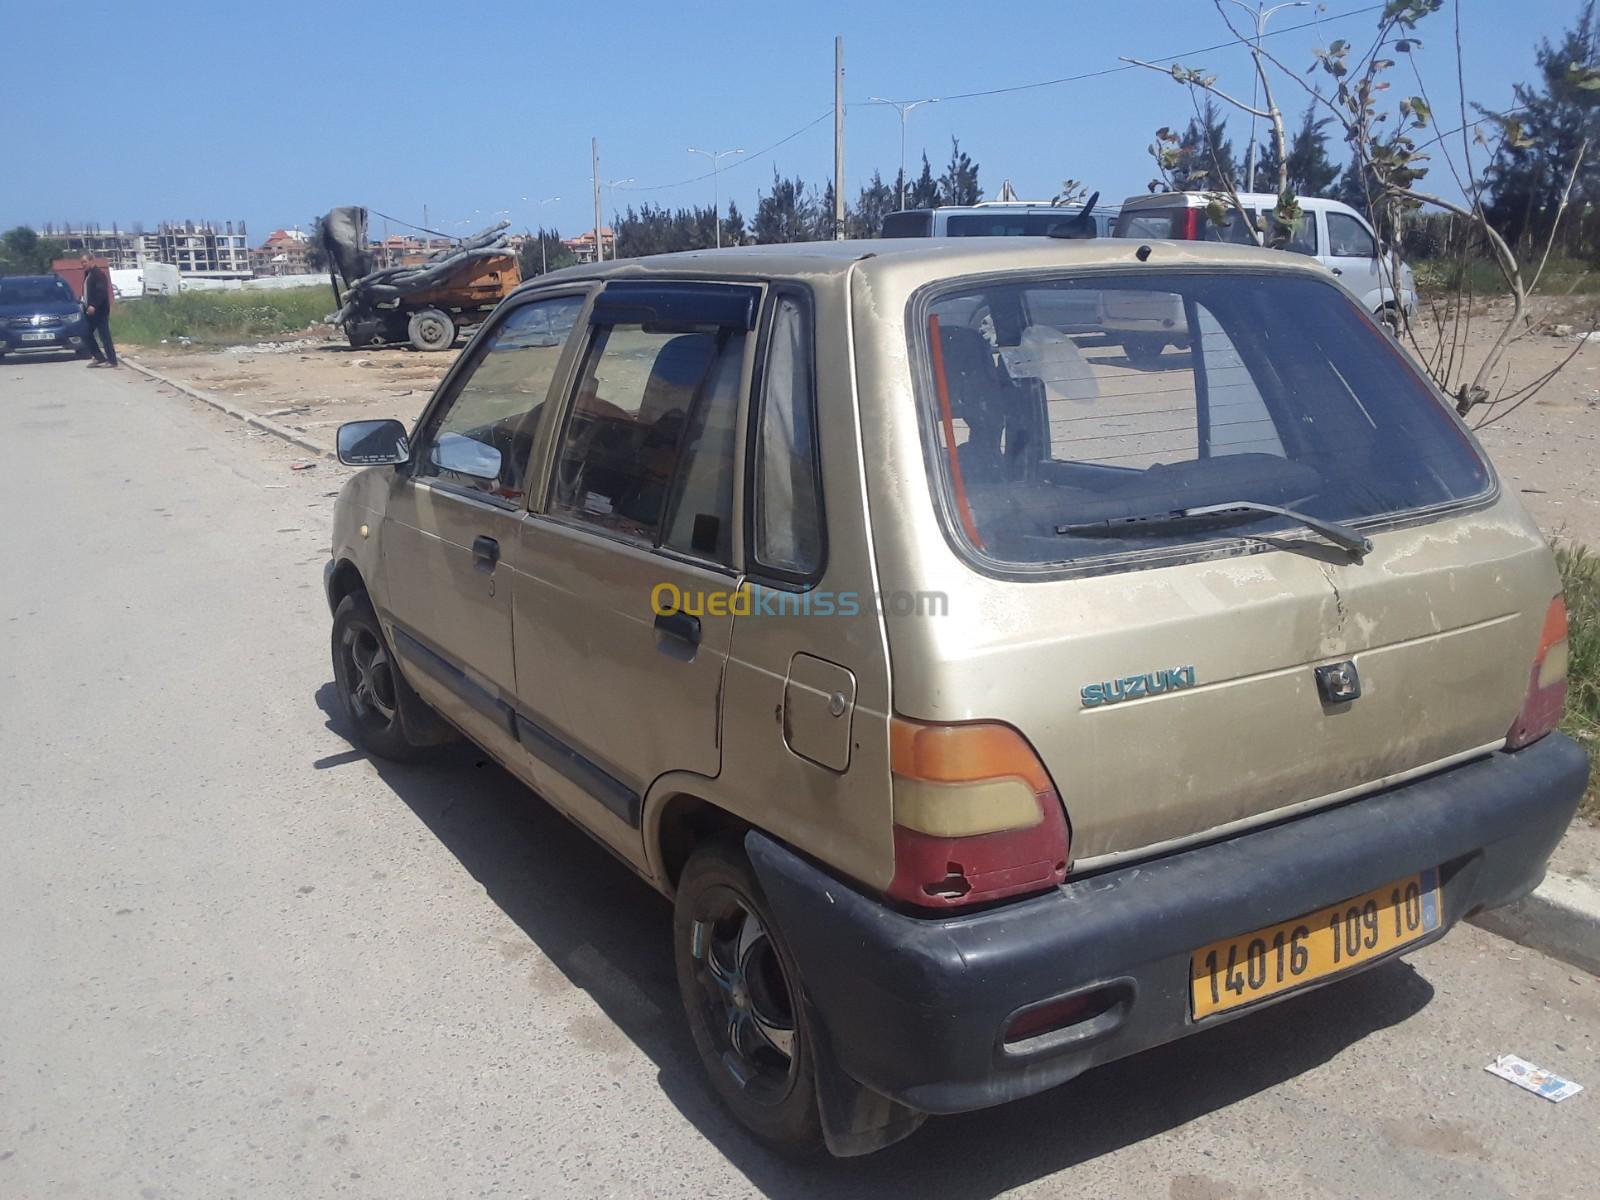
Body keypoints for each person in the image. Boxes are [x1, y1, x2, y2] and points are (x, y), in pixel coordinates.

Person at [80, 253, 118, 367]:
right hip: (90, 311)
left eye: (84, 262)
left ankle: (112, 361)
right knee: (86, 334)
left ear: (91, 261)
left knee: (104, 335)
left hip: (99, 311)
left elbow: (101, 293)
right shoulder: (88, 275)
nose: (82, 265)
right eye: (81, 263)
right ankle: (99, 357)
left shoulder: (98, 274)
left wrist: (93, 305)